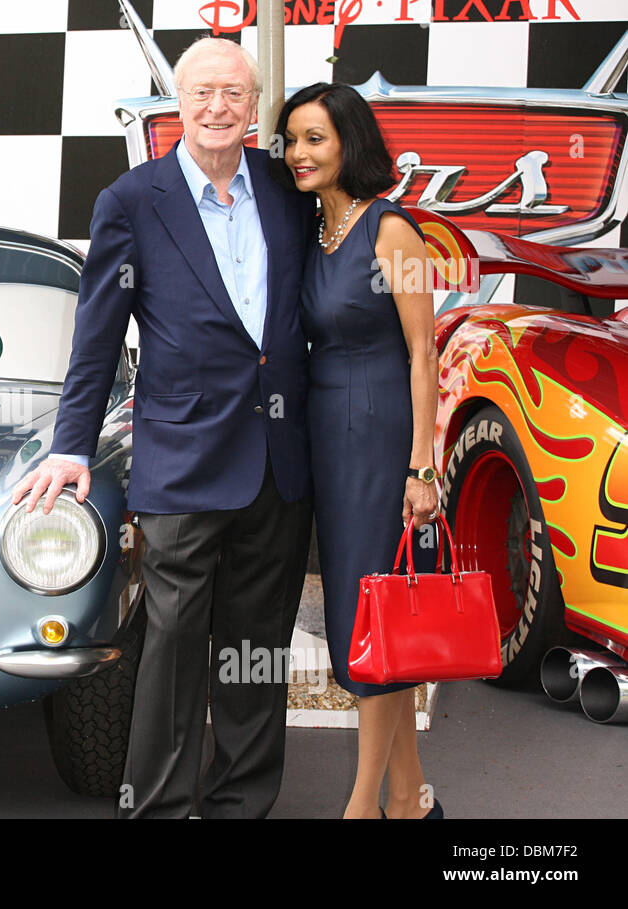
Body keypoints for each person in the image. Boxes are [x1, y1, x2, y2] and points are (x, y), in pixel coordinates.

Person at [12, 37, 315, 819]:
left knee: (254, 652)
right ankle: (160, 807)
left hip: (279, 464)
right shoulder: (132, 200)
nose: (219, 108)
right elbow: (97, 335)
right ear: (177, 106)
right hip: (182, 462)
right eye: (204, 93)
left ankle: (242, 802)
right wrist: (71, 445)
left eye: (234, 95)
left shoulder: (286, 191)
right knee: (175, 647)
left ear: (254, 109)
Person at [277, 82, 443, 819]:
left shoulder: (392, 230)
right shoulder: (313, 234)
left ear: (350, 141)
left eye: (315, 137)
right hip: (326, 441)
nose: (298, 153)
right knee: (372, 630)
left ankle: (360, 807)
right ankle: (408, 799)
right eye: (289, 139)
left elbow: (423, 353)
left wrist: (422, 463)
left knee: (371, 627)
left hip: (381, 443)